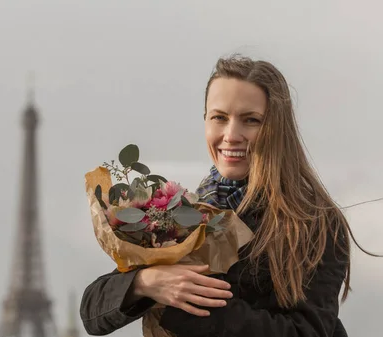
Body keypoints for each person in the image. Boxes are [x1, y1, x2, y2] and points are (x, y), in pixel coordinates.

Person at [80, 55, 367, 336]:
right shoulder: (179, 212)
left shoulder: (313, 222)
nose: (231, 134)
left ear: (278, 129)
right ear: (205, 120)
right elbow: (92, 312)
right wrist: (146, 282)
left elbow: (310, 331)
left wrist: (190, 305)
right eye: (219, 117)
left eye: (251, 120)